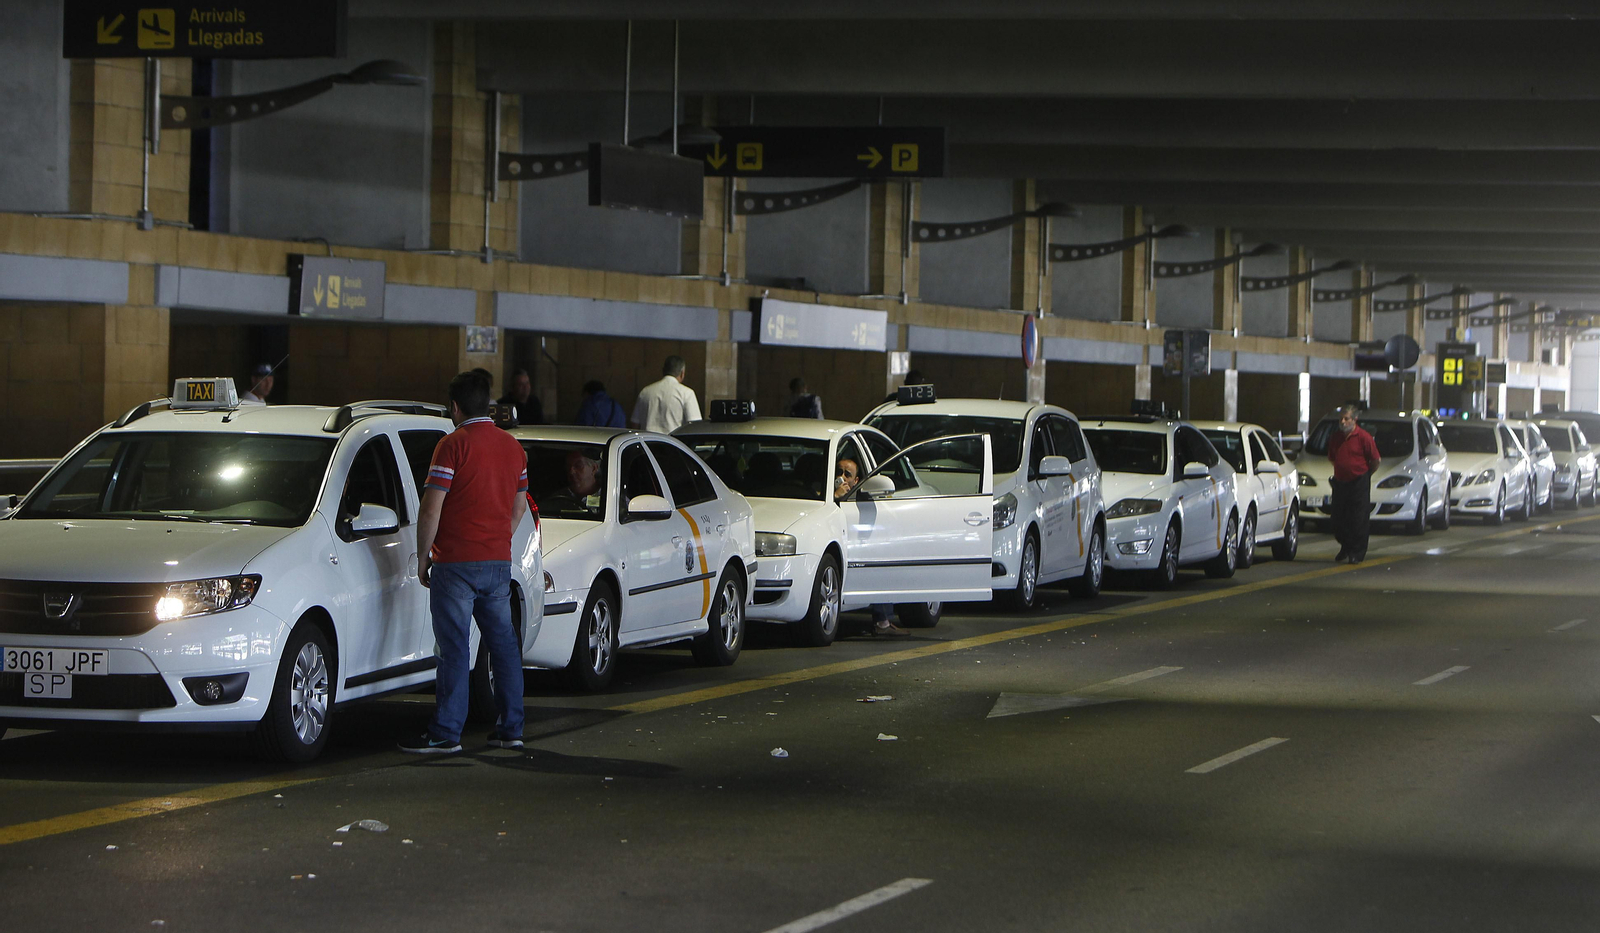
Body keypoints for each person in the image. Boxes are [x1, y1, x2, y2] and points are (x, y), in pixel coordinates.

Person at [400, 371, 531, 754]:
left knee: (454, 648)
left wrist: (423, 557)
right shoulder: (514, 448)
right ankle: (511, 729)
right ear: (487, 404)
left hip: (455, 564)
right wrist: (496, 540)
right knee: (503, 646)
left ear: (455, 407)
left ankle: (446, 732)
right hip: (497, 564)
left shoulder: (451, 445)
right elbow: (518, 508)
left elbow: (431, 509)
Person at [835, 457, 908, 637]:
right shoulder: (823, 492)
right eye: (838, 472)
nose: (841, 477)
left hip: (857, 548)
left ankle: (883, 621)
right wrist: (835, 496)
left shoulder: (863, 499)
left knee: (880, 561)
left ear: (856, 481)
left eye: (847, 474)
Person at [1327, 404, 1380, 564]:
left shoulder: (1363, 437)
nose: (1343, 422)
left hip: (1358, 482)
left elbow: (1375, 460)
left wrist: (1365, 475)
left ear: (1355, 419)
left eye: (1346, 418)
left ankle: (1357, 552)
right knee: (1338, 519)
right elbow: (1332, 458)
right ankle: (1345, 546)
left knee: (1358, 519)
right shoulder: (1336, 438)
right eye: (1341, 419)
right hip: (1340, 483)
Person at [632, 355, 702, 433]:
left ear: (663, 371)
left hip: (648, 439)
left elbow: (635, 423)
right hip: (672, 440)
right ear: (682, 373)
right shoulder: (687, 393)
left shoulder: (645, 392)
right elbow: (695, 426)